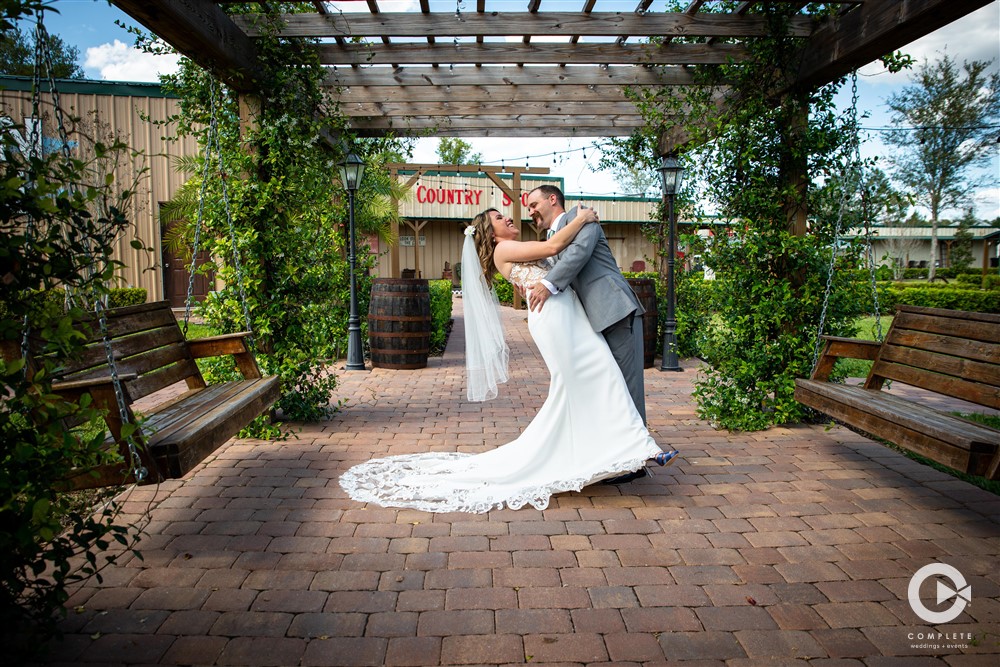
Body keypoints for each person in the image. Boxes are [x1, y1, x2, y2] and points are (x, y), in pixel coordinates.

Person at [339, 206, 678, 513]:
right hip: (555, 317)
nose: (509, 218)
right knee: (599, 375)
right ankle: (638, 448)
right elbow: (551, 249)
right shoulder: (504, 249)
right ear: (492, 234)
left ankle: (609, 450)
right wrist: (582, 219)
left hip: (568, 313)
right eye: (500, 219)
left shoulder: (510, 246)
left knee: (588, 383)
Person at [524, 185, 650, 484]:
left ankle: (635, 462)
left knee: (627, 384)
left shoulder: (582, 216)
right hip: (592, 318)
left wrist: (548, 284)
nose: (530, 211)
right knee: (611, 385)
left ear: (552, 199)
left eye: (533, 204)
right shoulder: (553, 236)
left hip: (614, 308)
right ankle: (616, 453)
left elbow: (579, 253)